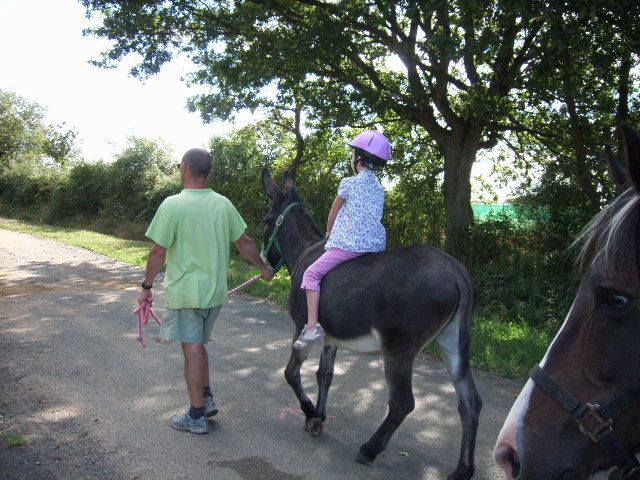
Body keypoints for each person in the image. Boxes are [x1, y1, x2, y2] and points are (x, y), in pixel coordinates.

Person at [137, 147, 274, 434]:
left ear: (185, 167)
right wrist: (263, 267)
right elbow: (245, 242)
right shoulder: (223, 204)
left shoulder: (173, 205)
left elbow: (157, 252)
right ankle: (206, 396)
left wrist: (146, 287)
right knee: (198, 345)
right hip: (214, 293)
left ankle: (196, 415)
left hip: (186, 293)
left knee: (192, 348)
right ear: (206, 171)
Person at [293, 130, 391, 349]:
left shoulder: (348, 183)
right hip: (375, 247)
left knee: (311, 274)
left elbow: (334, 212)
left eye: (353, 153)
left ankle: (312, 327)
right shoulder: (379, 189)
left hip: (349, 246)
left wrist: (329, 232)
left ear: (359, 157)